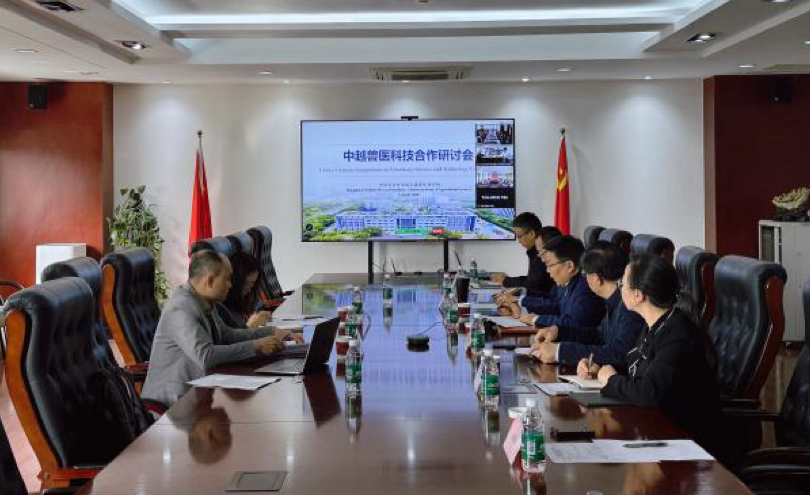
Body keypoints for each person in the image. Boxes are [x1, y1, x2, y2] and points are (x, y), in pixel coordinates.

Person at [579, 254, 725, 459]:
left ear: (638, 295)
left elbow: (648, 393)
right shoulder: (657, 324)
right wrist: (600, 367)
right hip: (658, 427)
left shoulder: (678, 334)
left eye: (622, 284)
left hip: (685, 442)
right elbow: (640, 364)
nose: (619, 288)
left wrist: (611, 379)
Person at [142, 250, 296, 406]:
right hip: (173, 404)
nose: (230, 285)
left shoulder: (204, 300)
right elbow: (206, 356)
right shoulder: (181, 307)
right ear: (210, 280)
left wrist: (270, 331)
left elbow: (227, 335)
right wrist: (257, 346)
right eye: (227, 279)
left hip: (200, 392)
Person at [530, 241, 645, 365]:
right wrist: (559, 332)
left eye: (585, 274)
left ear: (596, 278)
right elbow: (599, 335)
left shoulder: (630, 308)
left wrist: (559, 352)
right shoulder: (613, 301)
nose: (583, 279)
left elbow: (619, 353)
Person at [501, 235, 605, 329]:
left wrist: (536, 319)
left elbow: (574, 324)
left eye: (550, 265)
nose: (547, 270)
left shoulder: (584, 288)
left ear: (569, 266)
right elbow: (556, 304)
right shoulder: (570, 281)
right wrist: (523, 302)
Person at [490, 216, 557, 298]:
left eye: (519, 236)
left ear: (532, 234)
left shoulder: (542, 254)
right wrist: (518, 292)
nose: (518, 241)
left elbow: (536, 284)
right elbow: (533, 280)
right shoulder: (534, 252)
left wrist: (508, 282)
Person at [217, 252, 272, 329]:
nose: (249, 290)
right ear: (236, 281)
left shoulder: (246, 299)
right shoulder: (221, 309)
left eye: (252, 284)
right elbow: (230, 335)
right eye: (246, 284)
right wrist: (249, 327)